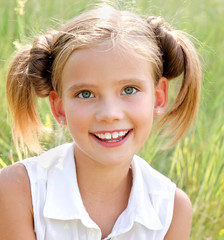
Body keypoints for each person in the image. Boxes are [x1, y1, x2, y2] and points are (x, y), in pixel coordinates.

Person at [0, 3, 201, 240]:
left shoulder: (171, 210)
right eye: (85, 94)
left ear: (158, 97)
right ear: (59, 107)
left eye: (129, 89)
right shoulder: (19, 190)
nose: (109, 114)